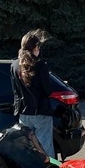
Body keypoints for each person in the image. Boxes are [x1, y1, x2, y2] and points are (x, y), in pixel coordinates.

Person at [11, 29, 55, 157]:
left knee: (28, 147)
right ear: (35, 48)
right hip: (41, 111)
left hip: (24, 112)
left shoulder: (14, 65)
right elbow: (47, 90)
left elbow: (16, 91)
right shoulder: (40, 65)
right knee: (45, 147)